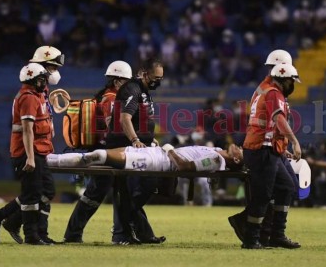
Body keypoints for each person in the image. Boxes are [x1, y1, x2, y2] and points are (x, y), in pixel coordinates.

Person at [0, 46, 65, 245]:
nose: (54, 73)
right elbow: (28, 128)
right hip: (30, 147)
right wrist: (30, 155)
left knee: (44, 191)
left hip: (39, 145)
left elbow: (40, 116)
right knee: (33, 193)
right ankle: (32, 233)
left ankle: (4, 218)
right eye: (52, 67)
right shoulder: (30, 94)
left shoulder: (39, 90)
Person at [228, 49, 300, 248]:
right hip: (261, 149)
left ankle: (274, 234)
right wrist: (293, 140)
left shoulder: (265, 88)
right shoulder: (272, 92)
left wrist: (281, 145)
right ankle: (253, 236)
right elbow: (276, 119)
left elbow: (269, 123)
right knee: (264, 194)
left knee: (286, 187)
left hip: (268, 147)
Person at [63, 60, 132, 243]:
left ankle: (76, 234)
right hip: (107, 150)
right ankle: (117, 235)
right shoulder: (111, 98)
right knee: (106, 192)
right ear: (117, 81)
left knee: (102, 192)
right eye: (127, 82)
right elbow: (113, 125)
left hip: (107, 149)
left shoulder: (111, 96)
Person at [105, 58, 165, 245]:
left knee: (135, 190)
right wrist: (136, 139)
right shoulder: (132, 89)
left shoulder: (144, 91)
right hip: (125, 147)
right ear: (144, 73)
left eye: (161, 78)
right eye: (156, 77)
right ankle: (122, 233)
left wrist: (148, 138)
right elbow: (125, 118)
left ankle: (135, 231)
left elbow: (141, 120)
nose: (158, 81)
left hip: (138, 146)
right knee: (137, 187)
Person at [48, 143, 243, 172]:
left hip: (158, 161)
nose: (241, 147)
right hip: (156, 152)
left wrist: (169, 150)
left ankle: (48, 161)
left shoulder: (218, 161)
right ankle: (48, 159)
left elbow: (185, 167)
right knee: (97, 157)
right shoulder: (216, 149)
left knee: (98, 155)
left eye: (242, 151)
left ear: (236, 160)